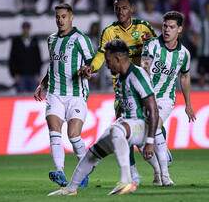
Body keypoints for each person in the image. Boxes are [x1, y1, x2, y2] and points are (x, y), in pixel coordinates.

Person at [48, 39, 159, 196]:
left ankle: (127, 180)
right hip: (127, 125)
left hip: (141, 126)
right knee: (93, 152)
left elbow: (153, 109)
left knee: (116, 130)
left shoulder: (137, 74)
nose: (107, 65)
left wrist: (149, 141)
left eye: (108, 61)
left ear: (118, 59)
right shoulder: (121, 78)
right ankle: (70, 188)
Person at [78, 0, 160, 185]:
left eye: (124, 8)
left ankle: (161, 169)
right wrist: (92, 67)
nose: (120, 12)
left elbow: (157, 50)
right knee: (124, 131)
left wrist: (149, 47)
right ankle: (133, 174)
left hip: (143, 85)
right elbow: (100, 55)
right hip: (122, 89)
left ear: (131, 9)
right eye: (117, 8)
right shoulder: (109, 31)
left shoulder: (143, 28)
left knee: (152, 128)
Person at [34, 3, 95, 188]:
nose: (60, 20)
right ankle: (59, 171)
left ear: (71, 17)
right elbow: (53, 65)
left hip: (76, 94)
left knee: (74, 135)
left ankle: (84, 170)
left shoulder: (80, 39)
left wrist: (88, 71)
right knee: (54, 131)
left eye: (63, 16)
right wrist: (42, 84)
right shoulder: (51, 39)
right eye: (57, 17)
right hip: (55, 93)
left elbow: (93, 63)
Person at [141, 11, 196, 186]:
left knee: (154, 125)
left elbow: (185, 77)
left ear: (179, 29)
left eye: (171, 27)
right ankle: (158, 170)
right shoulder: (151, 46)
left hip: (165, 98)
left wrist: (188, 104)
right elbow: (144, 68)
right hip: (145, 96)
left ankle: (165, 176)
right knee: (138, 139)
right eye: (165, 26)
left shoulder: (184, 54)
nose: (166, 30)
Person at [9, 21, 42, 93]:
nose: (26, 30)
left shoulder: (34, 40)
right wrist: (14, 74)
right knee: (21, 95)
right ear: (22, 29)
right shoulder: (16, 41)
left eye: (27, 28)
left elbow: (38, 58)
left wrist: (38, 73)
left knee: (33, 97)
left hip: (33, 74)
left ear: (30, 29)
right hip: (20, 75)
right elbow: (12, 58)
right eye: (24, 28)